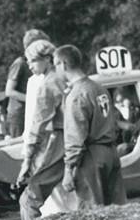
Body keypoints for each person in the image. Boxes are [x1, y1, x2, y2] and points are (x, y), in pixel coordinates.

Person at [54, 45, 127, 209]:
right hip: (110, 152)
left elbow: (75, 137)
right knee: (117, 211)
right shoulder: (99, 88)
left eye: (55, 65)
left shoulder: (77, 95)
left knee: (92, 214)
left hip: (92, 157)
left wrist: (69, 169)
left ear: (63, 64)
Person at [15, 38, 67, 220]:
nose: (29, 66)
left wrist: (27, 161)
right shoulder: (66, 78)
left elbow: (38, 125)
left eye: (32, 61)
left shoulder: (47, 85)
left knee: (28, 200)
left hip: (60, 142)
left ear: (46, 59)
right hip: (75, 140)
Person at [5, 28, 50, 138]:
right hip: (19, 114)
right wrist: (32, 99)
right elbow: (9, 91)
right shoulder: (20, 63)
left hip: (32, 109)